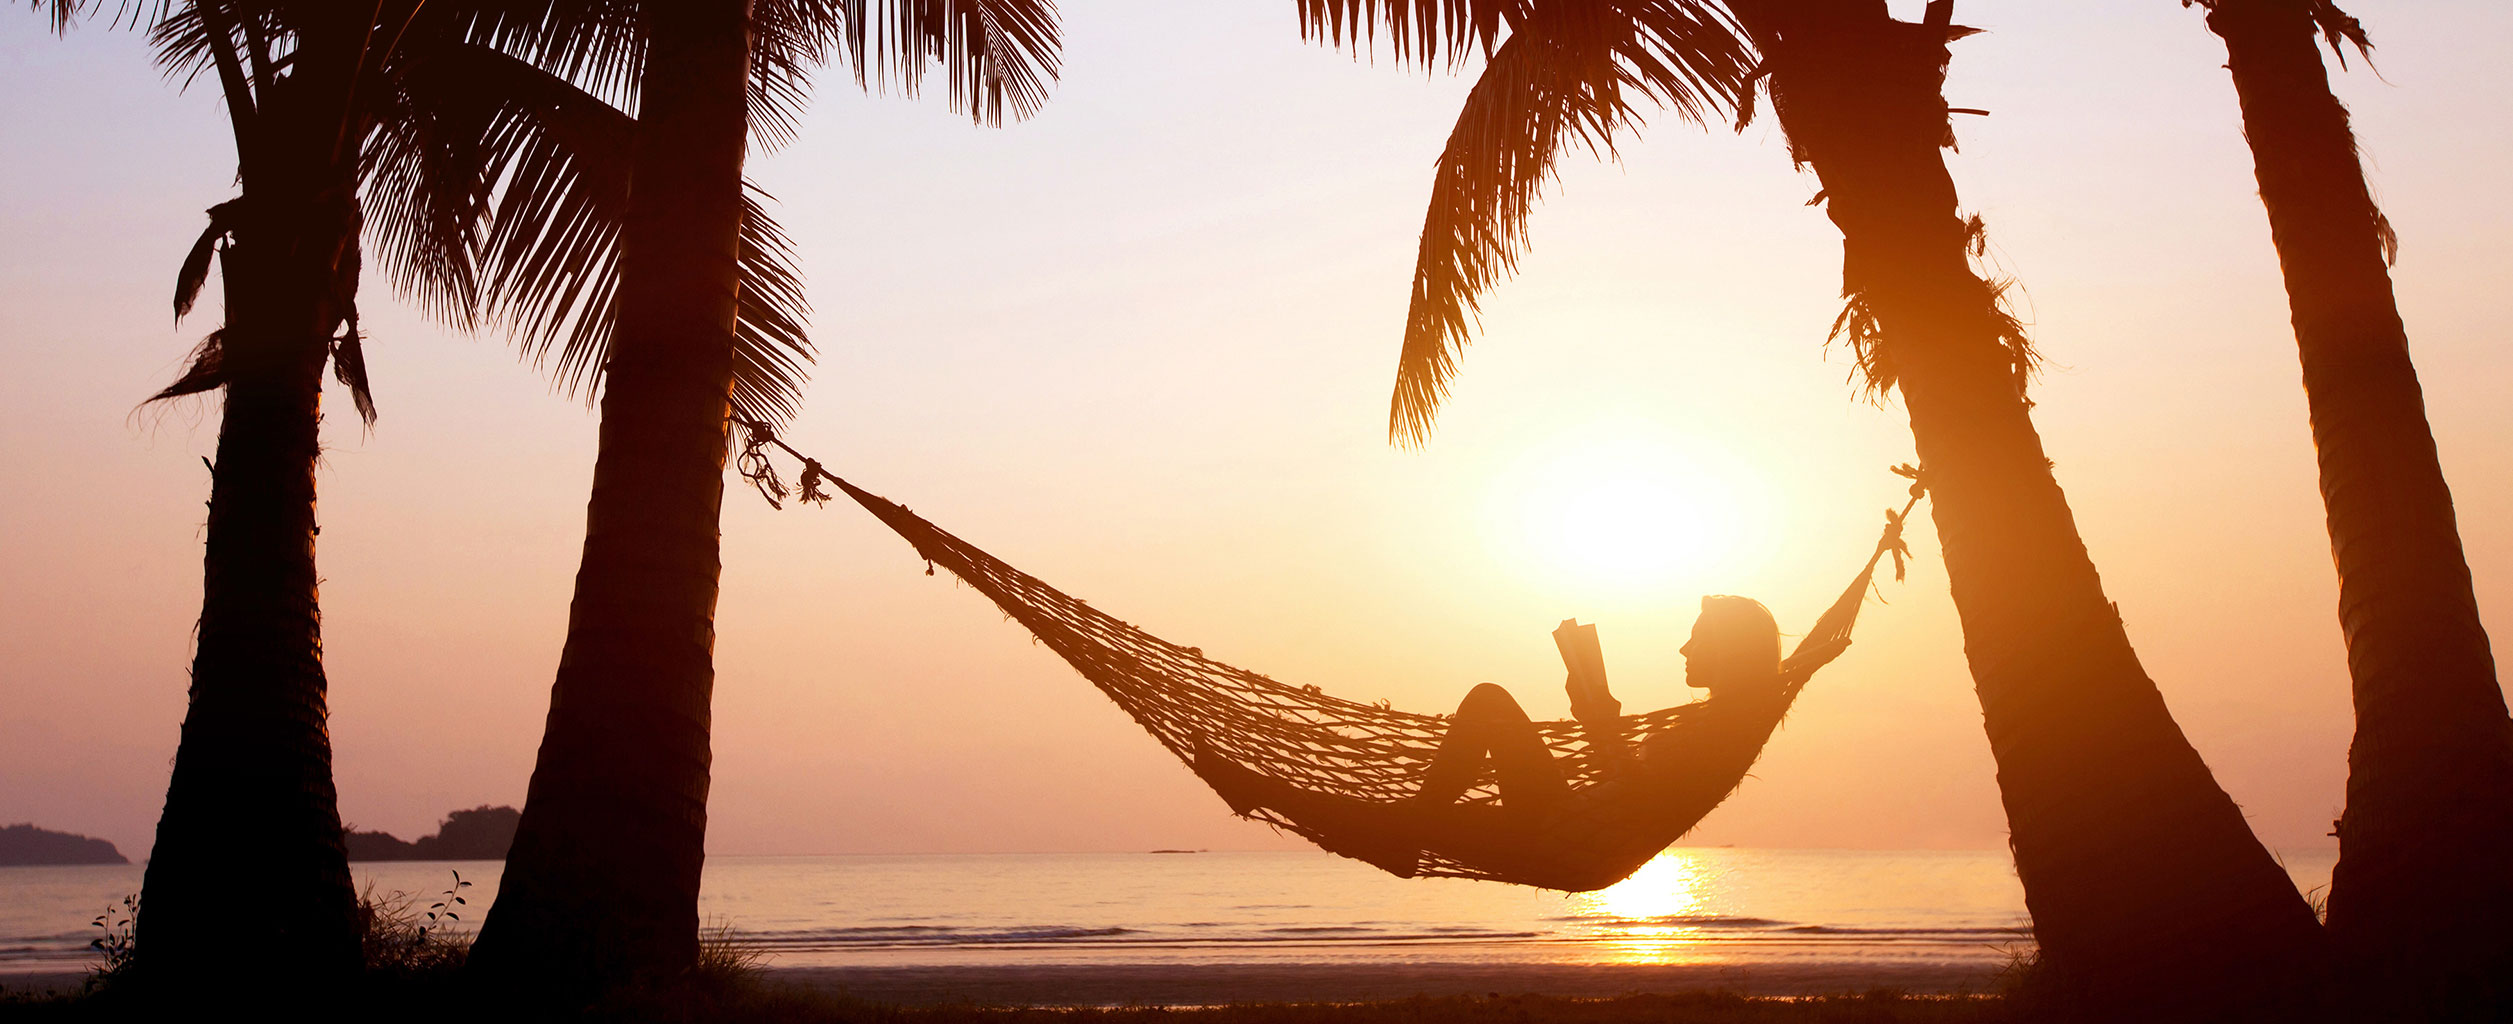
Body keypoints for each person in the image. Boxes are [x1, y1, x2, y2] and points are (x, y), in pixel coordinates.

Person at [1408, 595, 1788, 821]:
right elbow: (1629, 789)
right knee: (1450, 815)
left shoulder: (1717, 732)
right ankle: (1413, 822)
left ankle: (1412, 823)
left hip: (1563, 831)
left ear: (1732, 650)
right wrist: (1597, 718)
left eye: (1698, 639)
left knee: (1488, 700)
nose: (1684, 649)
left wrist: (1601, 722)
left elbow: (1637, 802)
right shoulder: (1721, 724)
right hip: (1575, 821)